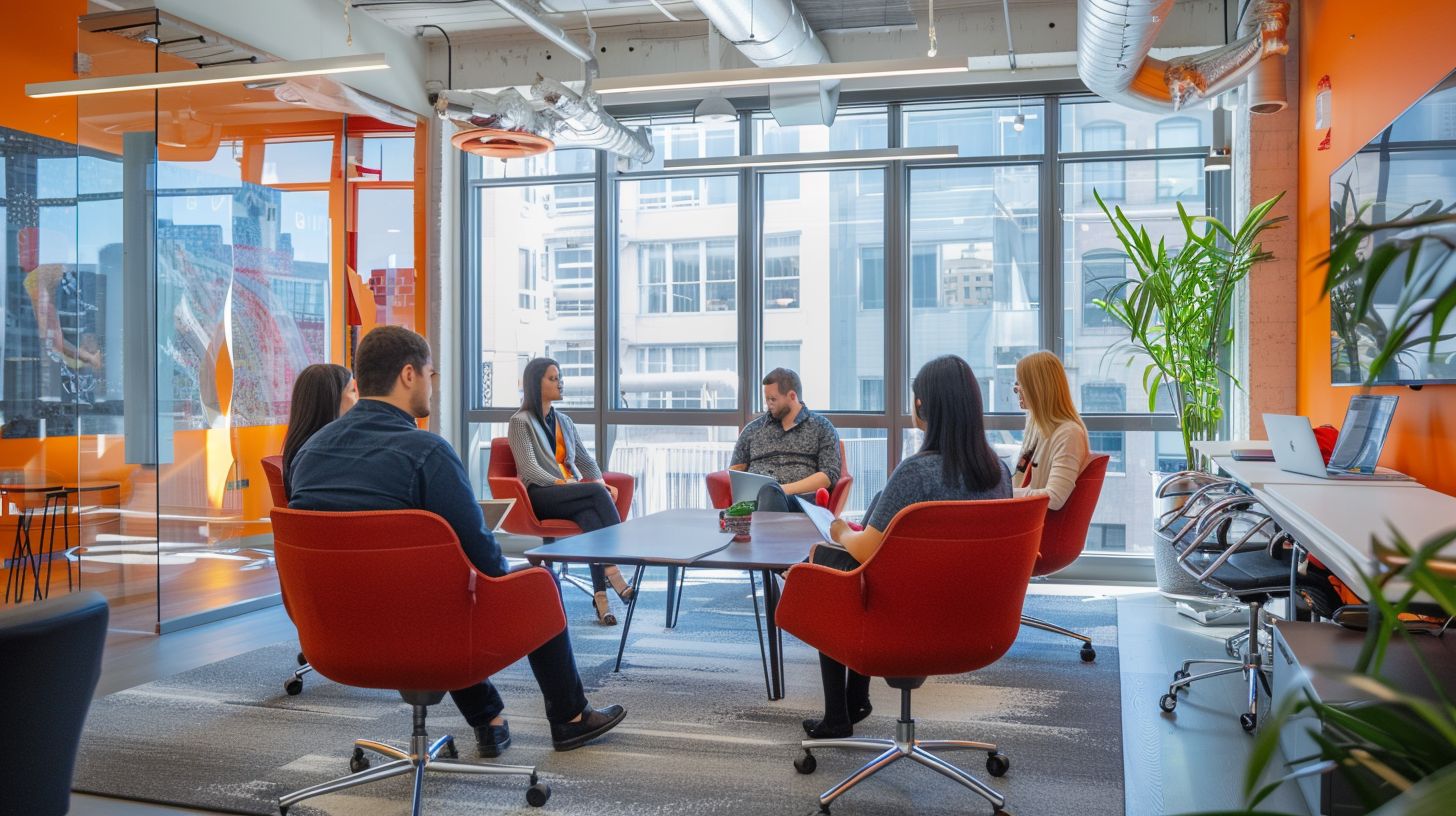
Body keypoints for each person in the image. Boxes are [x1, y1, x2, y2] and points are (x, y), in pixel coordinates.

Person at [288, 326, 626, 757]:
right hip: (419, 633)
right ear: (408, 375)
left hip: (333, 634)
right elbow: (485, 560)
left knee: (427, 592)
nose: (433, 384)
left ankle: (488, 718)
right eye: (431, 373)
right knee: (536, 585)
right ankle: (570, 717)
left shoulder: (309, 452)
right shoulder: (426, 452)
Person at [802, 354, 1011, 740]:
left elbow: (868, 551)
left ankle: (841, 711)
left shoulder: (916, 472)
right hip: (979, 623)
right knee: (840, 559)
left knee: (827, 562)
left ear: (920, 406)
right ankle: (851, 704)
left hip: (909, 624)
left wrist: (839, 530)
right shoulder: (999, 472)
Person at [508, 357, 634, 626]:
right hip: (541, 495)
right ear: (535, 383)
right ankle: (614, 569)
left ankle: (601, 599)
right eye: (553, 379)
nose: (560, 383)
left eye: (560, 378)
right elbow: (529, 469)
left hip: (571, 494)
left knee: (590, 517)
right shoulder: (520, 422)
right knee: (596, 497)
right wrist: (573, 485)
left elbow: (586, 461)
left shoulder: (564, 421)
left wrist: (599, 481)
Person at [729, 367, 841, 513]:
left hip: (800, 502)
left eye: (773, 399)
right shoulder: (753, 429)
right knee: (763, 496)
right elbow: (736, 471)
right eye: (767, 399)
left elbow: (828, 476)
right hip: (757, 502)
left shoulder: (822, 427)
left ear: (792, 396)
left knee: (770, 492)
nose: (768, 404)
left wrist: (780, 490)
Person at [1011, 351, 1091, 512]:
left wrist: (1005, 494)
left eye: (1021, 384)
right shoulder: (1037, 427)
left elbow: (1055, 497)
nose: (1016, 390)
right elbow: (1020, 476)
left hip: (1037, 527)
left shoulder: (1069, 434)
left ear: (1038, 388)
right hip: (1025, 518)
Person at [280, 364, 358, 497]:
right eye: (352, 391)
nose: (359, 399)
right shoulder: (338, 458)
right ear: (332, 400)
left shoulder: (298, 453)